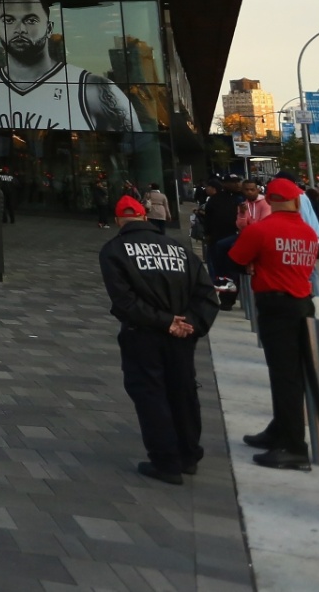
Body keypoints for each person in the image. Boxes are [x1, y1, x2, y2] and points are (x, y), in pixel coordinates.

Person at [99, 194, 217, 485]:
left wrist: (165, 322)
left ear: (118, 221)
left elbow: (124, 302)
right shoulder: (179, 249)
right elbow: (206, 294)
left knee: (151, 394)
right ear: (145, 217)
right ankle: (188, 454)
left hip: (144, 334)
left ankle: (166, 461)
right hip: (182, 336)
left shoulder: (114, 251)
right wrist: (188, 323)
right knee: (183, 391)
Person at [228, 176, 319, 470]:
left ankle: (293, 446)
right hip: (303, 304)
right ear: (295, 201)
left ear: (270, 200)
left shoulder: (262, 229)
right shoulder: (307, 233)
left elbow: (236, 258)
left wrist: (256, 263)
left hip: (275, 306)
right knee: (294, 374)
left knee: (284, 377)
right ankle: (280, 430)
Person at [0, 0, 138, 132]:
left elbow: (140, 147)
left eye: (31, 20)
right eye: (8, 20)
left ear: (49, 28)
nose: (20, 29)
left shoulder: (93, 90)